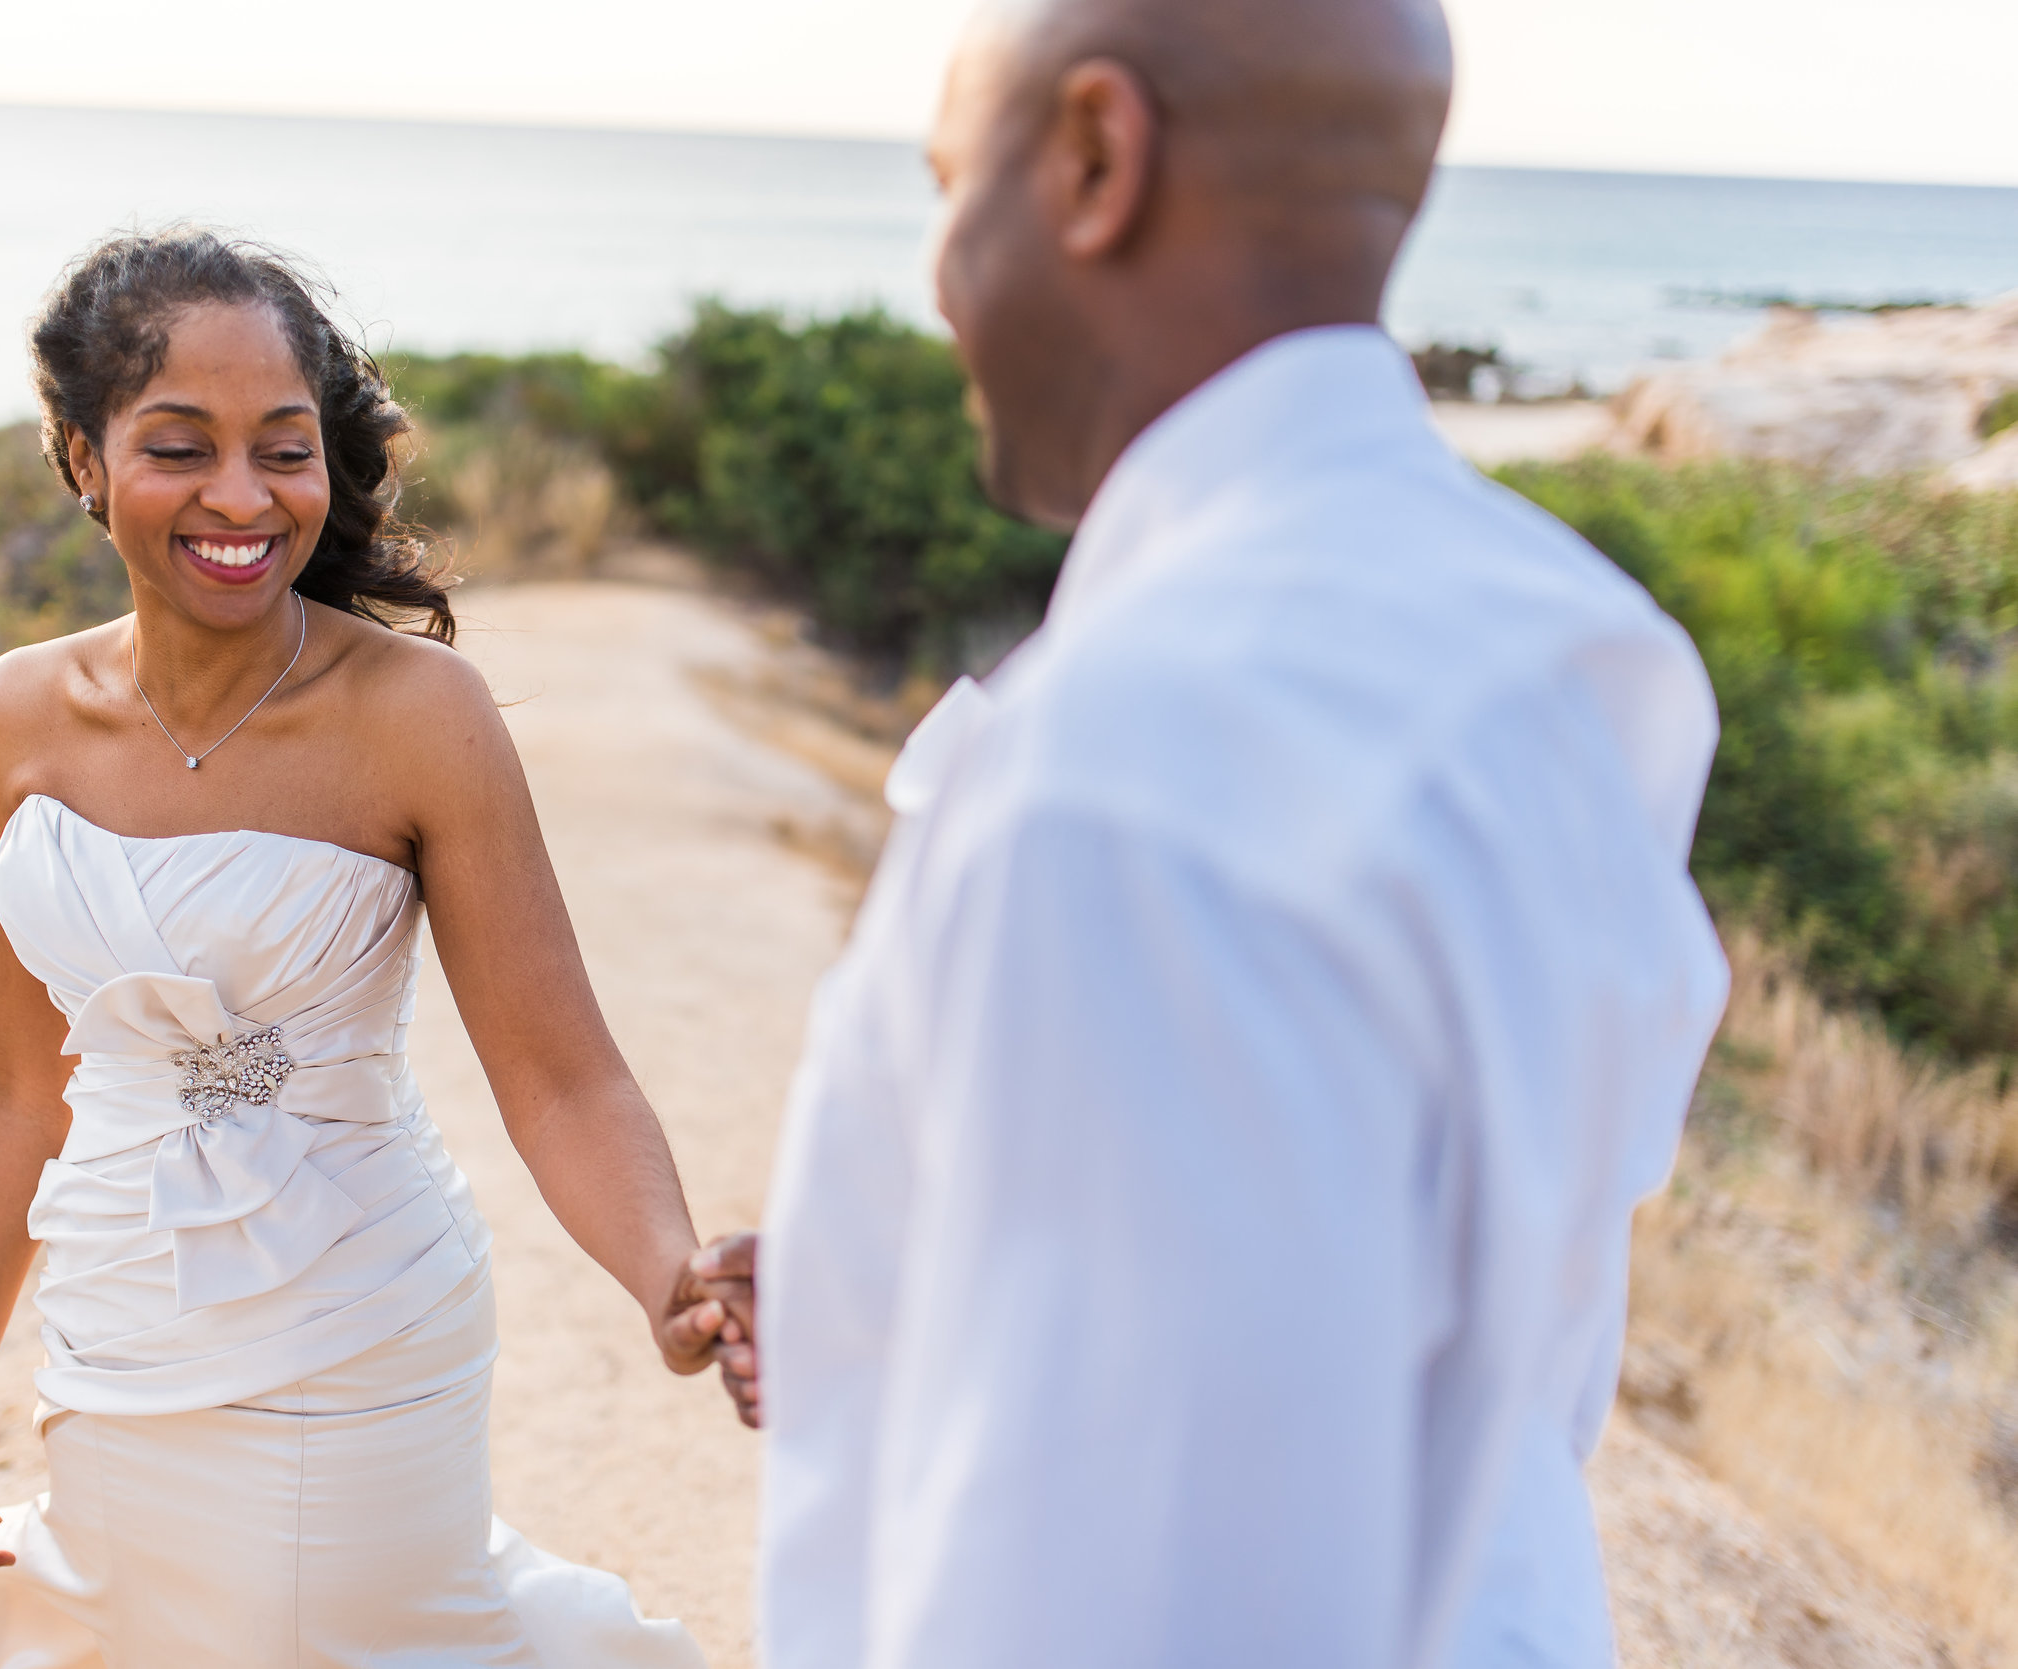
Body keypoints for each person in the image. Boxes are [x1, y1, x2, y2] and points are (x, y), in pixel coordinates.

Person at [701, 0, 1734, 1663]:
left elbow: (1125, 1599)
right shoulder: (1566, 646)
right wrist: (872, 1267)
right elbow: (1433, 1285)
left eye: (950, 183)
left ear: (1098, 157)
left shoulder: (1129, 781)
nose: (939, 275)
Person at [0, 229, 736, 1668]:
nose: (240, 497)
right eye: (178, 446)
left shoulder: (421, 716)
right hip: (118, 1332)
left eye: (283, 448)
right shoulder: (15, 716)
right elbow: (11, 1092)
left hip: (361, 1319)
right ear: (81, 458)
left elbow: (564, 1079)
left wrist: (666, 1271)